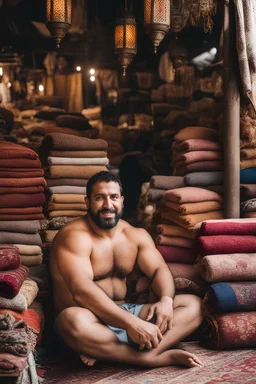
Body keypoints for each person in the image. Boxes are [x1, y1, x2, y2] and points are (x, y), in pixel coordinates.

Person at [50, 171, 203, 368]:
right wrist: (132, 324)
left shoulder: (135, 235)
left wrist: (165, 300)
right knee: (70, 321)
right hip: (89, 317)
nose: (108, 205)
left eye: (113, 197)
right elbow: (81, 291)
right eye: (99, 198)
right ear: (87, 202)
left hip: (126, 311)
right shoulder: (74, 236)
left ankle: (120, 352)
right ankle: (150, 357)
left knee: (193, 305)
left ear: (121, 201)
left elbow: (159, 269)